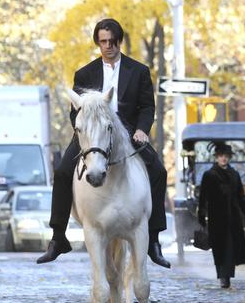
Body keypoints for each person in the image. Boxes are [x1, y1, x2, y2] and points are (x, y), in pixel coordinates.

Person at [36, 18, 170, 268]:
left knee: (159, 171)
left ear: (119, 41)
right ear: (98, 42)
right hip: (92, 134)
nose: (108, 46)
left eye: (112, 41)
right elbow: (75, 110)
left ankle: (153, 239)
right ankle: (58, 238)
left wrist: (142, 129)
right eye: (103, 41)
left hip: (128, 134)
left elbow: (147, 106)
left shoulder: (138, 71)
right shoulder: (84, 73)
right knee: (63, 171)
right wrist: (84, 127)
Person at [198, 142, 245, 288]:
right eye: (220, 156)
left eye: (226, 156)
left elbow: (241, 196)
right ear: (216, 157)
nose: (223, 158)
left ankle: (227, 276)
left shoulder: (234, 174)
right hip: (217, 218)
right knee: (220, 248)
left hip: (234, 217)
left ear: (229, 157)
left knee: (231, 248)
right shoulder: (209, 175)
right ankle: (223, 276)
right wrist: (202, 215)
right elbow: (203, 197)